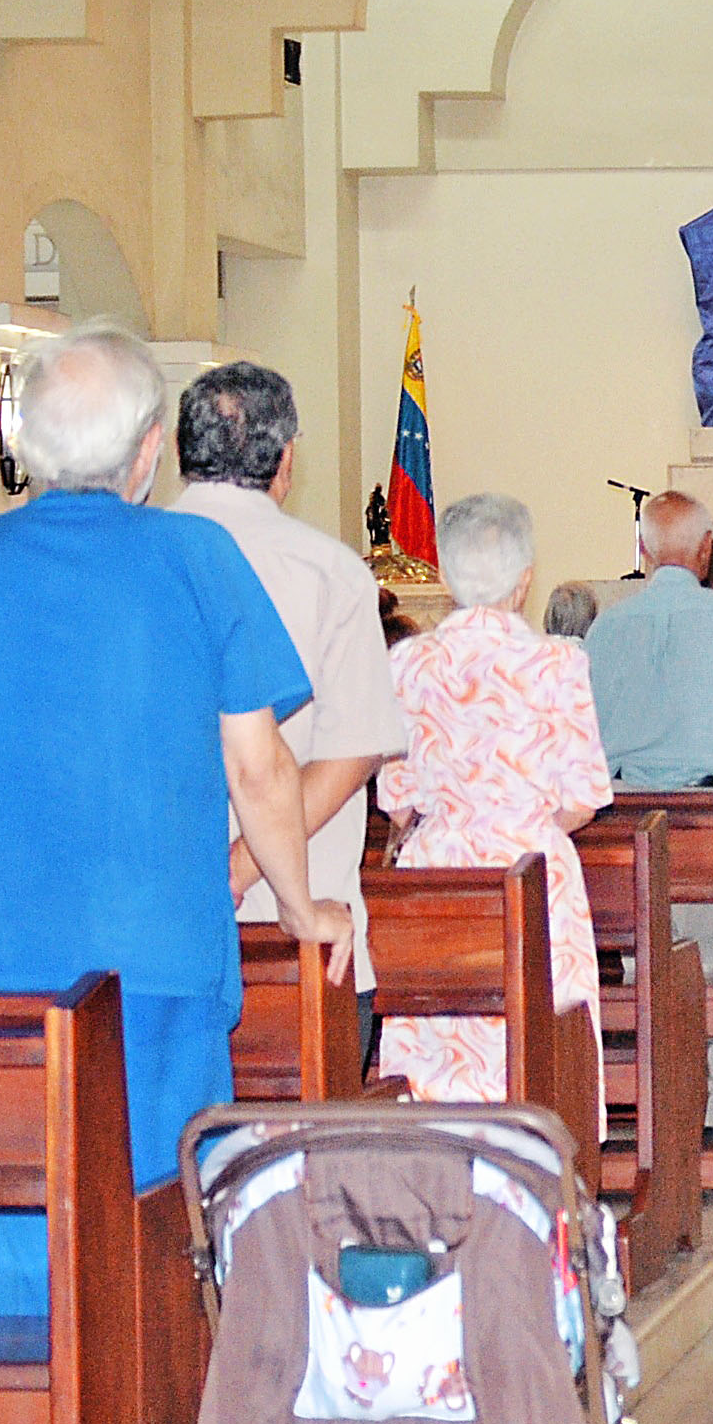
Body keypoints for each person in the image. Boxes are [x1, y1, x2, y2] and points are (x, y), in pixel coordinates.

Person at [0, 323, 349, 1424]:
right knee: (160, 1236)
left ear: (25, 445)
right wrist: (303, 908)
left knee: (16, 1259)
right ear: (147, 449)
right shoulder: (194, 554)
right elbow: (258, 766)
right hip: (153, 959)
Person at [169, 361, 409, 993]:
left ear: (177, 452)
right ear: (286, 458)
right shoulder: (329, 571)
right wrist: (242, 869)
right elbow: (352, 754)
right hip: (294, 919)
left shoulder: (125, 565)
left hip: (150, 922)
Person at [378, 493, 611, 1105]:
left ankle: (432, 1170)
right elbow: (585, 798)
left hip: (436, 881)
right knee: (539, 1033)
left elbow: (397, 800)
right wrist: (522, 823)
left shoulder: (406, 663)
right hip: (529, 871)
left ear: (447, 576)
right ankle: (542, 1164)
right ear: (525, 577)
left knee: (437, 1039)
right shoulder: (556, 662)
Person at [583, 489, 713, 788]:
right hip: (711, 812)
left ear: (643, 548)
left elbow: (582, 728)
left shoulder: (606, 626)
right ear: (706, 545)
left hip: (623, 807)